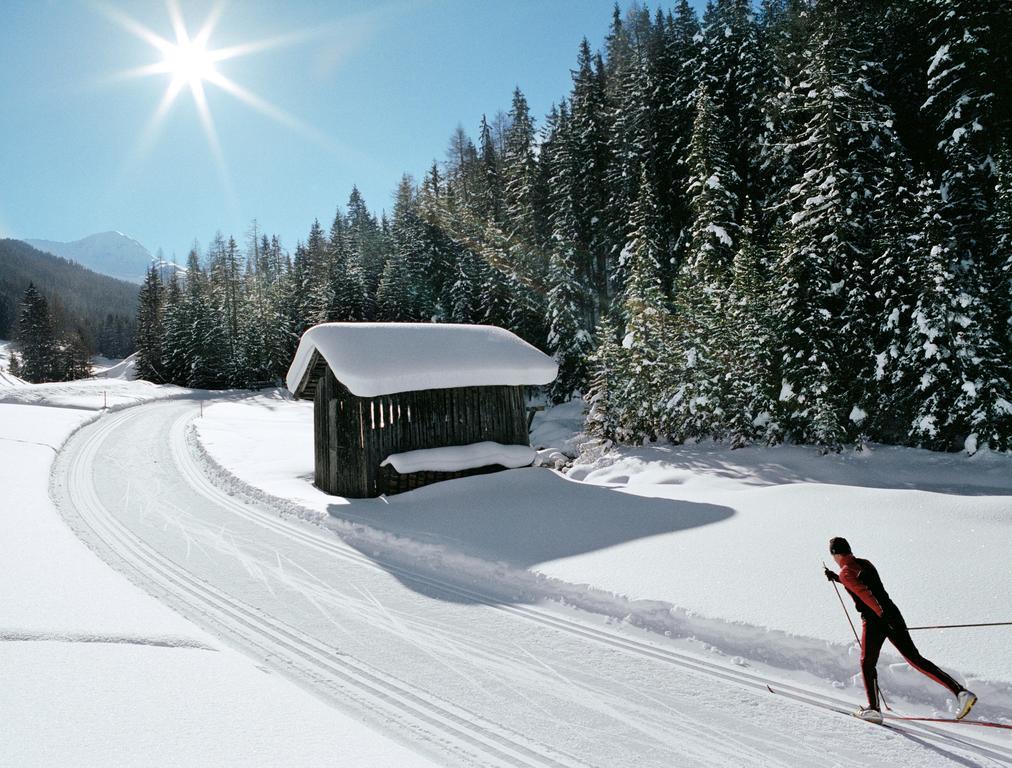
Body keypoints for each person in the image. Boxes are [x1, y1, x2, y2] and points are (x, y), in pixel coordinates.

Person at [823, 537, 977, 724]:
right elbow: (864, 584)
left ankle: (873, 709)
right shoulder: (864, 564)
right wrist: (837, 578)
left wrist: (881, 616)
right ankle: (961, 692)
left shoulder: (847, 573)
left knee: (867, 663)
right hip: (892, 613)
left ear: (835, 554)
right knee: (914, 658)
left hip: (876, 620)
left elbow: (867, 595)